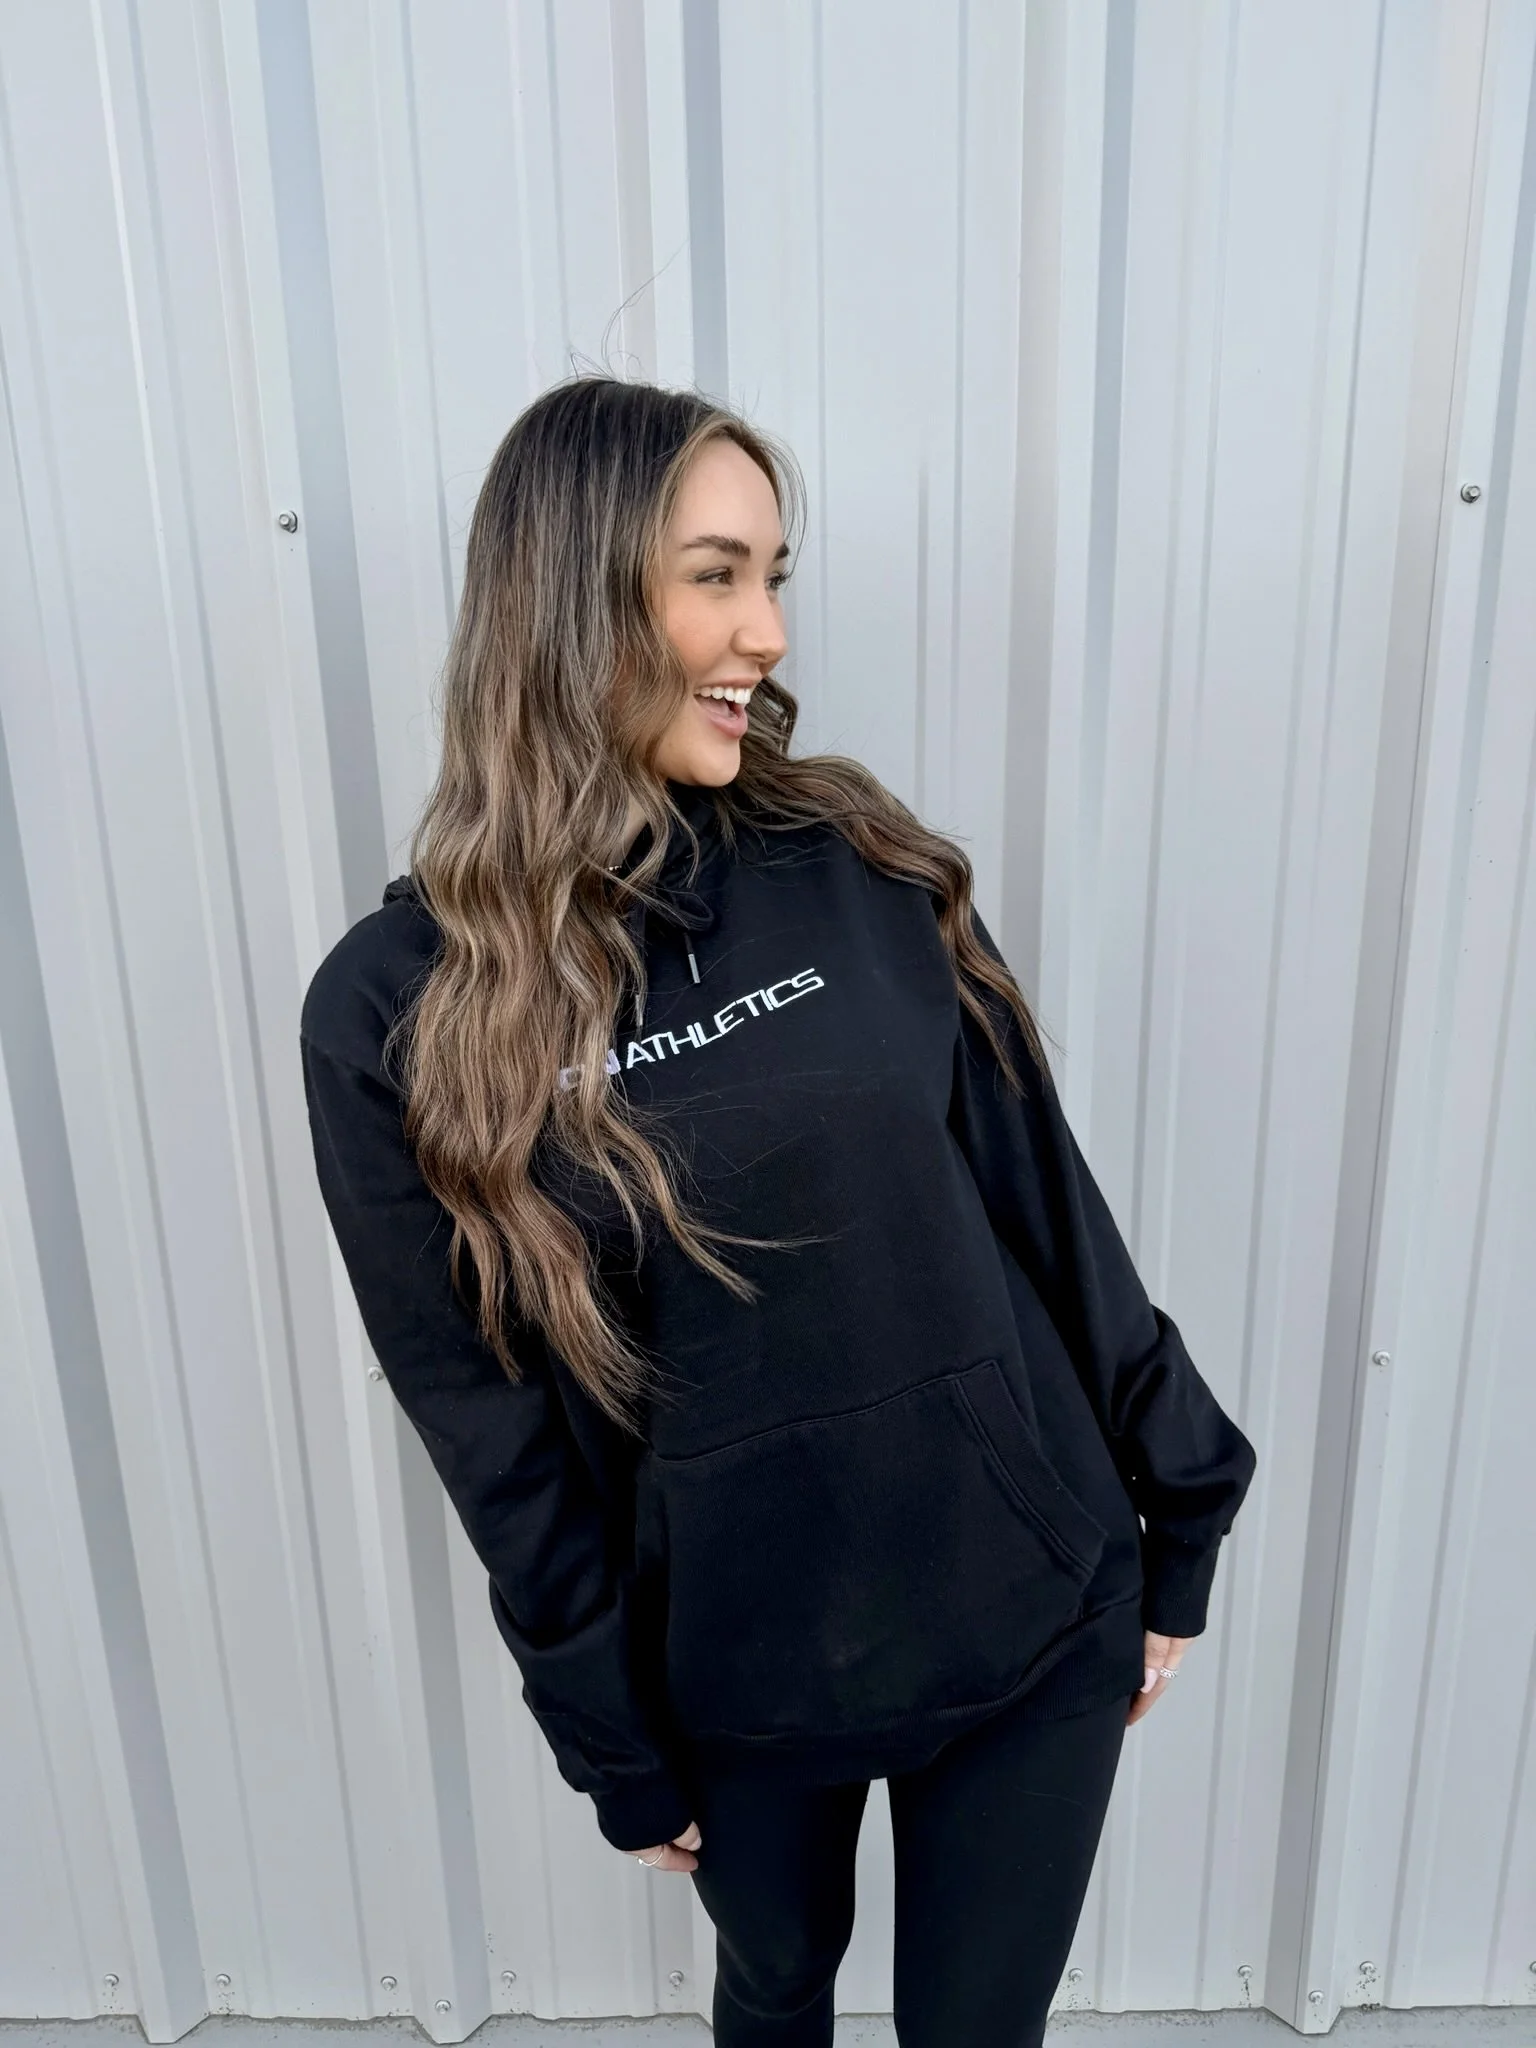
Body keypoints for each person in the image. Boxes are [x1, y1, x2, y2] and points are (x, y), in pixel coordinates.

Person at [299, 375, 1257, 2047]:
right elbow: (488, 1426)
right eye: (717, 574)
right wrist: (608, 1727)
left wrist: (1182, 1494)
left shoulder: (854, 860)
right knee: (776, 1994)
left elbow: (1045, 1201)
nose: (769, 628)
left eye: (775, 572)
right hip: (733, 1669)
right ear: (575, 593)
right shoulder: (401, 1010)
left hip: (1029, 1599)